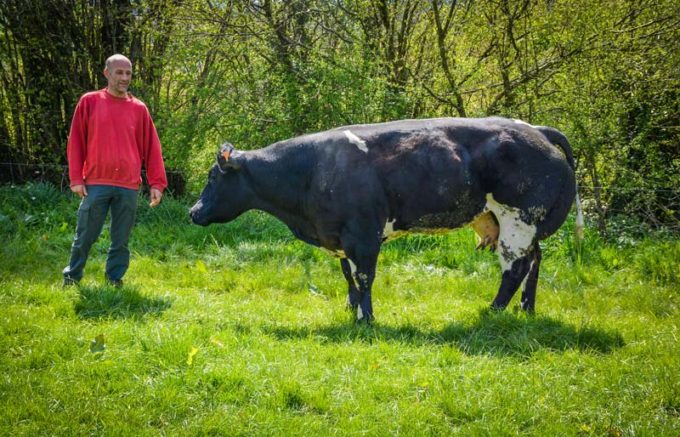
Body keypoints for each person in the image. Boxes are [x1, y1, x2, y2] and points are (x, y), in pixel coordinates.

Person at [63, 54, 167, 287]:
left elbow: (152, 148)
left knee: (121, 239)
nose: (124, 78)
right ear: (106, 73)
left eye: (128, 73)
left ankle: (114, 278)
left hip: (128, 184)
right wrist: (76, 179)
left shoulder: (139, 108)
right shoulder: (89, 101)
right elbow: (76, 142)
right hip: (95, 182)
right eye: (119, 72)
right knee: (84, 236)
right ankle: (72, 277)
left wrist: (157, 183)